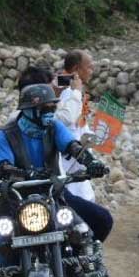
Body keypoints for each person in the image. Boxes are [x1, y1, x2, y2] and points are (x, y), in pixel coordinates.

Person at [0, 84, 110, 265]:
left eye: (53, 107)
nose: (50, 112)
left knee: (102, 219)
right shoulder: (5, 135)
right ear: (29, 111)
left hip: (54, 192)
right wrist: (24, 173)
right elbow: (4, 167)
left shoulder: (54, 127)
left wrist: (90, 162)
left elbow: (73, 146)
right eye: (45, 108)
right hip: (17, 197)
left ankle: (79, 265)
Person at [55, 50, 97, 202]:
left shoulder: (72, 90)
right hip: (67, 158)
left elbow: (80, 123)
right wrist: (77, 92)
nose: (92, 71)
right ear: (76, 69)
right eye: (89, 67)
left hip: (78, 157)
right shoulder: (67, 91)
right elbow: (68, 118)